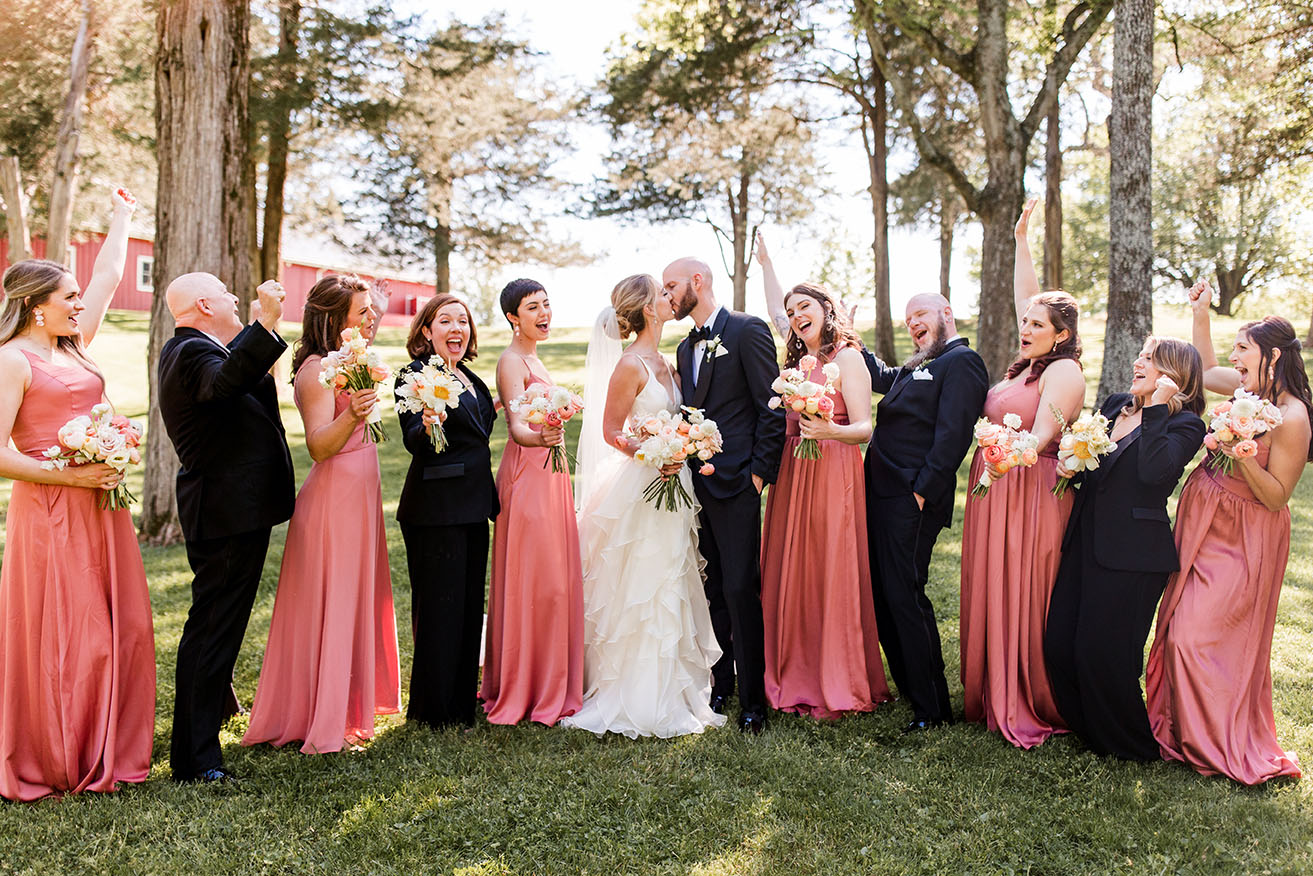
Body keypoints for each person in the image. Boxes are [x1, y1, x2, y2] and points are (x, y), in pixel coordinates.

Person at [0, 189, 156, 800]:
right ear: (39, 308)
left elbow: (111, 274)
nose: (79, 303)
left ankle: (112, 744)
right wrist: (71, 475)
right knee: (74, 635)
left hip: (101, 507)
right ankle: (63, 755)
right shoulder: (13, 361)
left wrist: (122, 216)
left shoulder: (73, 343)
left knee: (126, 628)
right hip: (52, 510)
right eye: (68, 297)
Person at [1146, 286, 1311, 784]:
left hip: (1246, 533)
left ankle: (1216, 740)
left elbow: (1278, 495)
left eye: (1243, 348)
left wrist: (1240, 455)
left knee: (1200, 636)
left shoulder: (1294, 414)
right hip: (1204, 520)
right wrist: (1199, 313)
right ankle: (1179, 730)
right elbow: (1207, 367)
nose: (1234, 359)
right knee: (1177, 628)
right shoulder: (1248, 391)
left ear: (1272, 355)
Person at [561, 274, 726, 739]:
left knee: (672, 580)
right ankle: (634, 694)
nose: (670, 298)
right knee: (642, 586)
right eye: (662, 294)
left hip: (675, 486)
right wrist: (654, 454)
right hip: (643, 487)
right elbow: (611, 431)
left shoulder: (669, 362)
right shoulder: (631, 365)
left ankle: (674, 692)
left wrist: (681, 449)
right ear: (648, 309)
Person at [242, 275, 400, 754]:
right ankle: (322, 717)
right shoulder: (315, 370)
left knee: (353, 598)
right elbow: (317, 446)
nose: (369, 321)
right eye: (361, 312)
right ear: (334, 320)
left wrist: (378, 305)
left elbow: (363, 340)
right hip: (334, 500)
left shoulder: (345, 358)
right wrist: (352, 415)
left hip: (359, 495)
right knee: (336, 603)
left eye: (371, 312)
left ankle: (347, 706)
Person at [957, 199, 1086, 748]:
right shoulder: (1029, 363)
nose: (1026, 326)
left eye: (1037, 323)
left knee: (1025, 590)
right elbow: (1023, 297)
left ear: (1060, 335)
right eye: (1026, 320)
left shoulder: (1063, 370)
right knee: (993, 582)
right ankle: (991, 686)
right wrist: (1021, 241)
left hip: (1031, 491)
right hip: (997, 487)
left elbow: (1042, 438)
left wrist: (1003, 452)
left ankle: (1028, 693)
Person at [1043, 337, 1205, 761]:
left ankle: (1131, 746)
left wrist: (1156, 409)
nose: (1137, 361)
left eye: (1149, 359)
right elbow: (1099, 469)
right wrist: (1071, 467)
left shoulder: (1186, 425)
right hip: (1085, 540)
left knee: (1106, 653)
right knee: (1060, 643)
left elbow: (1154, 473)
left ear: (1173, 374)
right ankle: (1090, 731)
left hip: (1133, 555)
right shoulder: (1116, 405)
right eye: (1140, 355)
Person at [753, 251, 891, 719]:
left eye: (804, 309)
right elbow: (775, 308)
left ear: (826, 309)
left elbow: (865, 428)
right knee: (793, 566)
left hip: (832, 467)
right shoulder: (798, 363)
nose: (795, 318)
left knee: (828, 565)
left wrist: (828, 430)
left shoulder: (847, 358)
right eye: (791, 314)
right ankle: (791, 666)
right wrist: (768, 265)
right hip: (794, 471)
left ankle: (835, 674)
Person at [665, 258, 785, 734]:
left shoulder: (746, 329)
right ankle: (722, 685)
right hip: (697, 486)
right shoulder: (682, 348)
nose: (667, 294)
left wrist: (758, 475)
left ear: (699, 281)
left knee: (740, 589)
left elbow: (771, 407)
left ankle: (755, 700)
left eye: (672, 285)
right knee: (712, 589)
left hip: (737, 484)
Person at [861, 293, 989, 732]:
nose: (912, 323)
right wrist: (849, 340)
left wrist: (921, 494)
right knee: (883, 596)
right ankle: (913, 690)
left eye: (920, 314)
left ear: (946, 314)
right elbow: (881, 375)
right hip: (880, 494)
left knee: (904, 595)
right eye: (907, 316)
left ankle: (933, 709)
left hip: (910, 498)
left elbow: (954, 436)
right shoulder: (921, 363)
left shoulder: (961, 362)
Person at [479, 278, 584, 726]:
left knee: (554, 581)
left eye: (546, 304)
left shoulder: (535, 357)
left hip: (552, 475)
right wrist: (540, 437)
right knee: (536, 582)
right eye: (532, 307)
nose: (543, 313)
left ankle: (551, 679)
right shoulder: (510, 361)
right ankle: (526, 685)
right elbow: (516, 427)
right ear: (511, 317)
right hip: (527, 476)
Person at [396, 293, 498, 729]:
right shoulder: (415, 374)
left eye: (463, 321)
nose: (457, 329)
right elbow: (413, 440)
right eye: (446, 321)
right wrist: (427, 421)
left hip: (474, 506)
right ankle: (432, 709)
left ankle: (460, 701)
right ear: (426, 331)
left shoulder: (471, 378)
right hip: (435, 508)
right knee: (440, 607)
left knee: (468, 604)